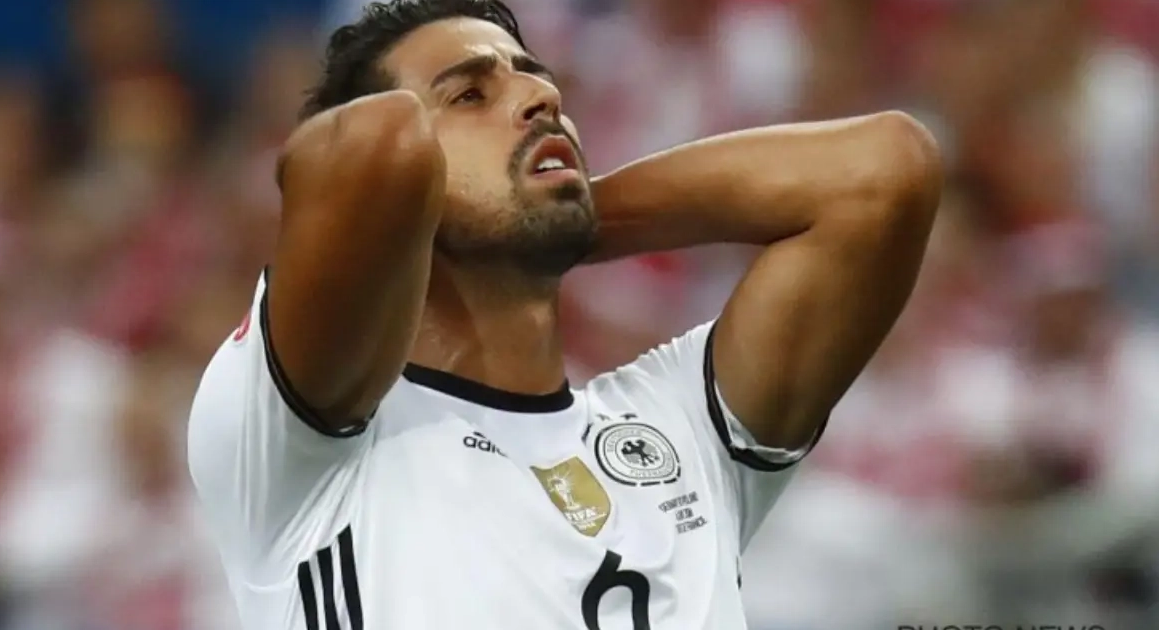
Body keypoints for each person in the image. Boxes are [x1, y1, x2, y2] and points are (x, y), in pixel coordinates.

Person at [185, 1, 942, 628]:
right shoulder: (299, 445)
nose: (541, 99)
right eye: (469, 95)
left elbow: (884, 171)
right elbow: (372, 144)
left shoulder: (680, 428)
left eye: (538, 82)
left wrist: (561, 212)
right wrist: (503, 204)